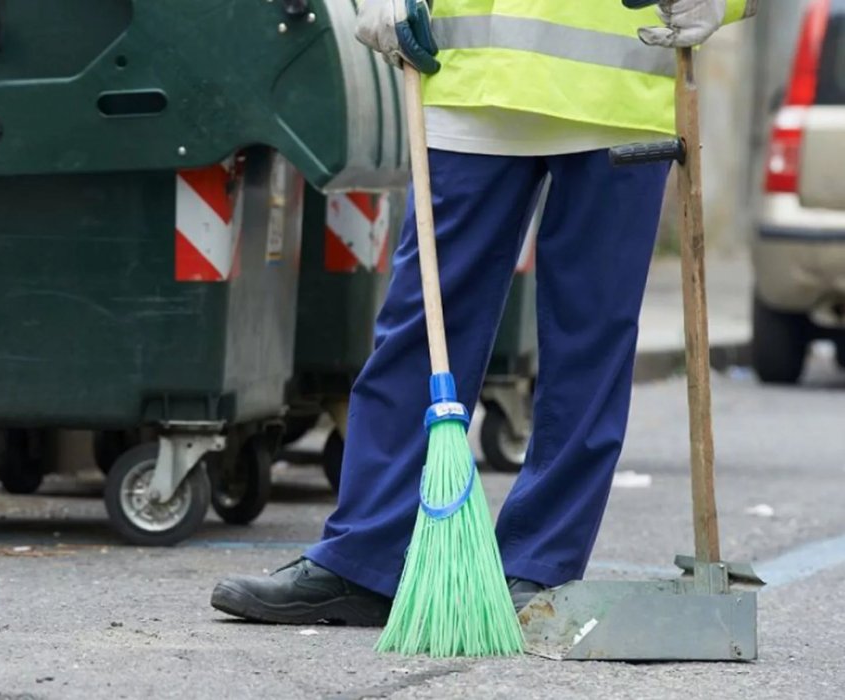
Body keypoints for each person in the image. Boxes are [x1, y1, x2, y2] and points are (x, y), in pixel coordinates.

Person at [211, 0, 757, 626]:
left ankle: (538, 567)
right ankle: (364, 561)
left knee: (590, 344)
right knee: (421, 328)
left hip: (620, 96)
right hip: (470, 82)